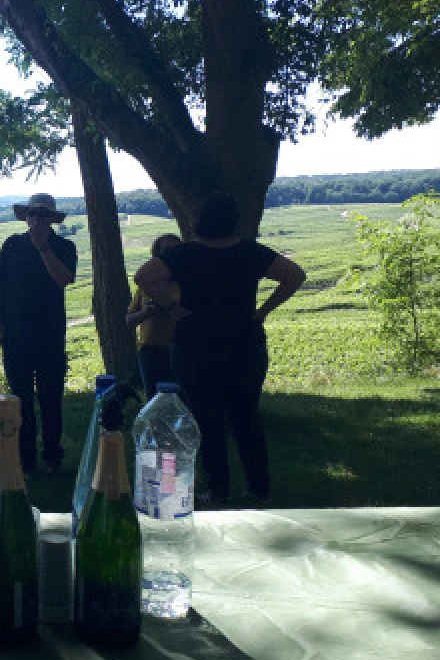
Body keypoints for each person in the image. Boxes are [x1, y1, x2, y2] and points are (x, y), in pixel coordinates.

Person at [134, 193, 306, 505]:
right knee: (246, 416)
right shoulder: (250, 253)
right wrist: (265, 309)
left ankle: (218, 489)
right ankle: (259, 487)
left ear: (199, 221)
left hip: (194, 343)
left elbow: (144, 276)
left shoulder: (185, 254)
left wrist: (170, 306)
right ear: (233, 221)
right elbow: (295, 275)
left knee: (206, 418)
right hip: (244, 341)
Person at [0, 193, 77, 474]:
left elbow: (64, 279)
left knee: (51, 399)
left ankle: (52, 455)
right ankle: (25, 459)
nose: (37, 219)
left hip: (50, 335)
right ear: (26, 217)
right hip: (15, 336)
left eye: (42, 214)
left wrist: (43, 249)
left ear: (52, 219)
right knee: (20, 400)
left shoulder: (64, 246)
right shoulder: (12, 245)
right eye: (32, 214)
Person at [126, 234, 182, 396]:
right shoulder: (145, 284)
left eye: (176, 250)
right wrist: (146, 313)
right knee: (153, 400)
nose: (171, 254)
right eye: (166, 251)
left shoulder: (187, 282)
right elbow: (128, 320)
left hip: (179, 348)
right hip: (149, 351)